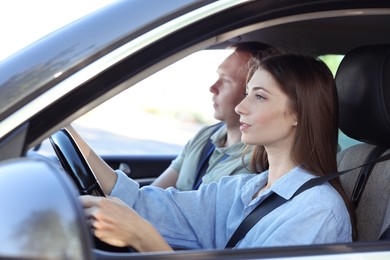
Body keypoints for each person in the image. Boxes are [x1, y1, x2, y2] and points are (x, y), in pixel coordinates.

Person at [77, 53, 356, 252]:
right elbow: (144, 204)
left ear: (298, 113)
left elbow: (142, 223)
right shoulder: (243, 189)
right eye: (246, 93)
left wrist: (142, 236)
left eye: (259, 96)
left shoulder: (317, 211)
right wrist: (70, 135)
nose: (240, 107)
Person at [151, 42, 273, 190]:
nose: (213, 88)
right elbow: (152, 193)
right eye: (218, 76)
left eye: (226, 80)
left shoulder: (258, 162)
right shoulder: (205, 135)